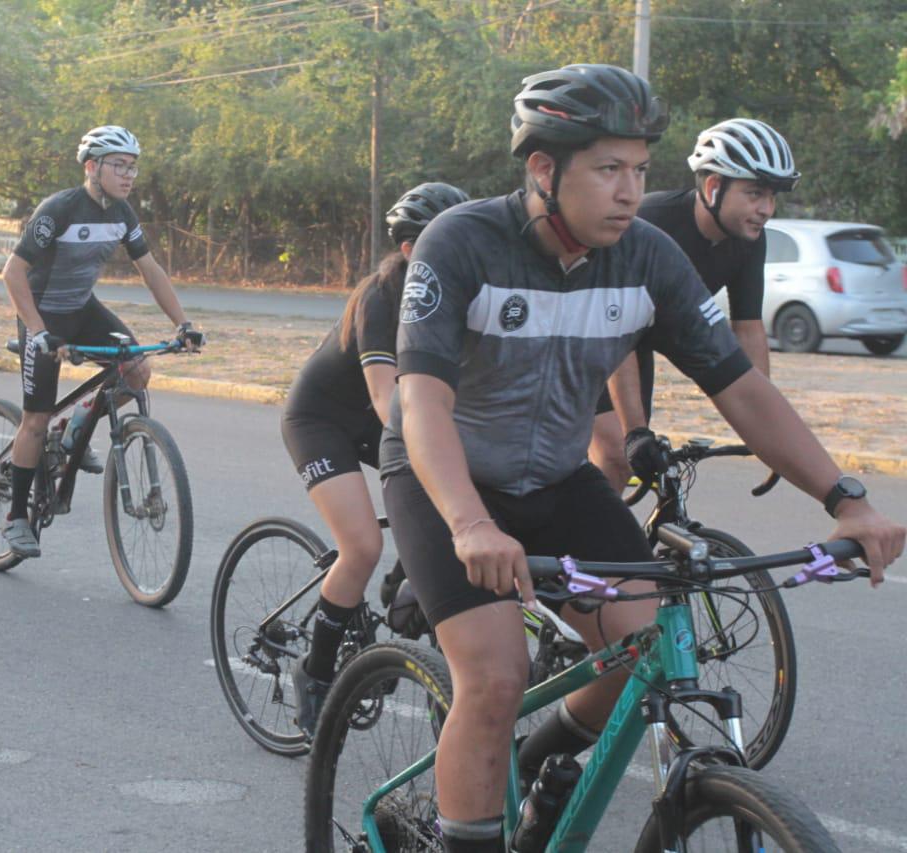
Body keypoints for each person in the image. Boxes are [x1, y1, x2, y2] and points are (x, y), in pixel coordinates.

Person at [380, 64, 904, 853]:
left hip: (556, 480)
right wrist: (469, 523)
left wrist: (846, 498)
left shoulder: (649, 257)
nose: (629, 190)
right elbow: (422, 402)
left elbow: (745, 389)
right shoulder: (464, 242)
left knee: (641, 650)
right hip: (447, 479)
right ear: (543, 170)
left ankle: (541, 770)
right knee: (494, 677)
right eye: (607, 169)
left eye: (640, 170)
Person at [281, 182, 468, 736]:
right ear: (412, 249)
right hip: (322, 421)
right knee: (362, 545)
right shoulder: (382, 298)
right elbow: (390, 401)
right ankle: (315, 676)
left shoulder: (456, 295)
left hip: (381, 420)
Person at [0, 125, 203, 559]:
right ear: (92, 167)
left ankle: (73, 426)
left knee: (136, 371)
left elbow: (150, 270)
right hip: (42, 313)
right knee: (34, 420)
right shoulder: (59, 210)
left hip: (81, 308)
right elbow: (13, 273)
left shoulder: (123, 214)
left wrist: (183, 324)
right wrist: (38, 333)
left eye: (133, 167)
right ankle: (17, 515)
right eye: (119, 166)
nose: (128, 176)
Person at [591, 118, 800, 490]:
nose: (766, 209)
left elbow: (748, 329)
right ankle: (573, 545)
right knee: (615, 452)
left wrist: (771, 435)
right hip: (596, 333)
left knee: (629, 464)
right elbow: (614, 329)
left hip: (640, 341)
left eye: (772, 196)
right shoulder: (651, 225)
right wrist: (635, 430)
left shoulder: (750, 239)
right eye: (755, 194)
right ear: (713, 185)